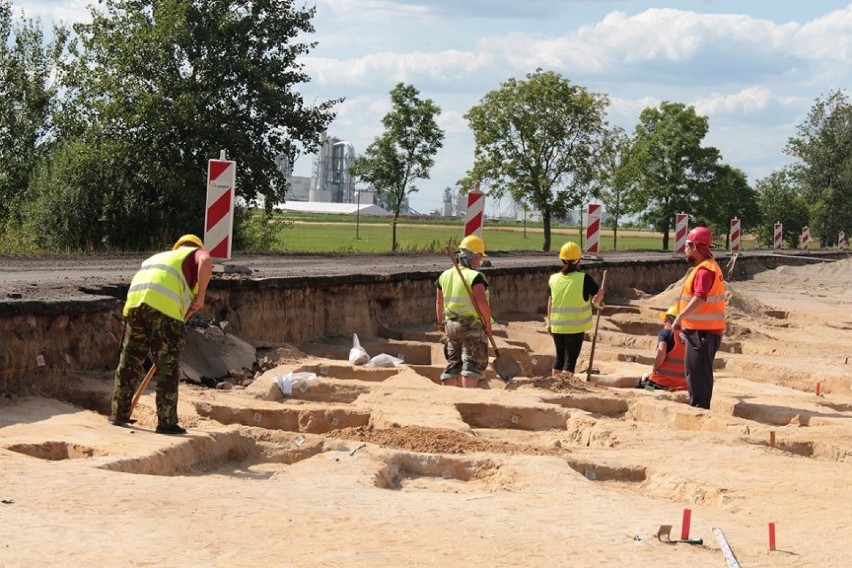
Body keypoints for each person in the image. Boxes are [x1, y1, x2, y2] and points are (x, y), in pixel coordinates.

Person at [110, 234, 213, 434]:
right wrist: (201, 296)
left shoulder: (161, 258)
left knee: (129, 360)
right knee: (167, 365)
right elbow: (206, 261)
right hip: (163, 309)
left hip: (134, 304)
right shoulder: (194, 253)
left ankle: (118, 414)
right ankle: (166, 422)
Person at [671, 226, 726, 409]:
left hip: (702, 333)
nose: (684, 249)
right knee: (696, 373)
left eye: (687, 245)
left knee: (698, 375)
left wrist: (680, 316)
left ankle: (700, 410)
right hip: (703, 331)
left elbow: (700, 297)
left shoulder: (704, 271)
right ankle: (699, 406)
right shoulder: (708, 267)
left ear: (695, 246)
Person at [436, 235, 492, 388]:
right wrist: (487, 323)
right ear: (473, 257)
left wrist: (441, 323)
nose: (479, 262)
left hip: (451, 325)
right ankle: (469, 399)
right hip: (471, 326)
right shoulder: (475, 277)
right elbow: (481, 302)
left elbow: (439, 302)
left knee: (453, 363)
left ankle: (448, 394)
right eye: (479, 258)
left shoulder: (444, 275)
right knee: (471, 365)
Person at [546, 241, 604, 378]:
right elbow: (600, 292)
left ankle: (555, 384)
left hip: (557, 327)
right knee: (570, 361)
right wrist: (596, 303)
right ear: (578, 259)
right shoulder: (583, 278)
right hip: (575, 327)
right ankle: (564, 388)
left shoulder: (553, 279)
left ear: (561, 259)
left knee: (559, 359)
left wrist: (548, 322)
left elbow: (550, 302)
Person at [635, 306, 687, 391]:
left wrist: (653, 371)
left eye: (666, 320)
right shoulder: (691, 338)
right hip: (682, 385)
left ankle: (655, 391)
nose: (664, 322)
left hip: (661, 382)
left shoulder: (665, 333)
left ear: (673, 321)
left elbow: (661, 355)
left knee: (640, 385)